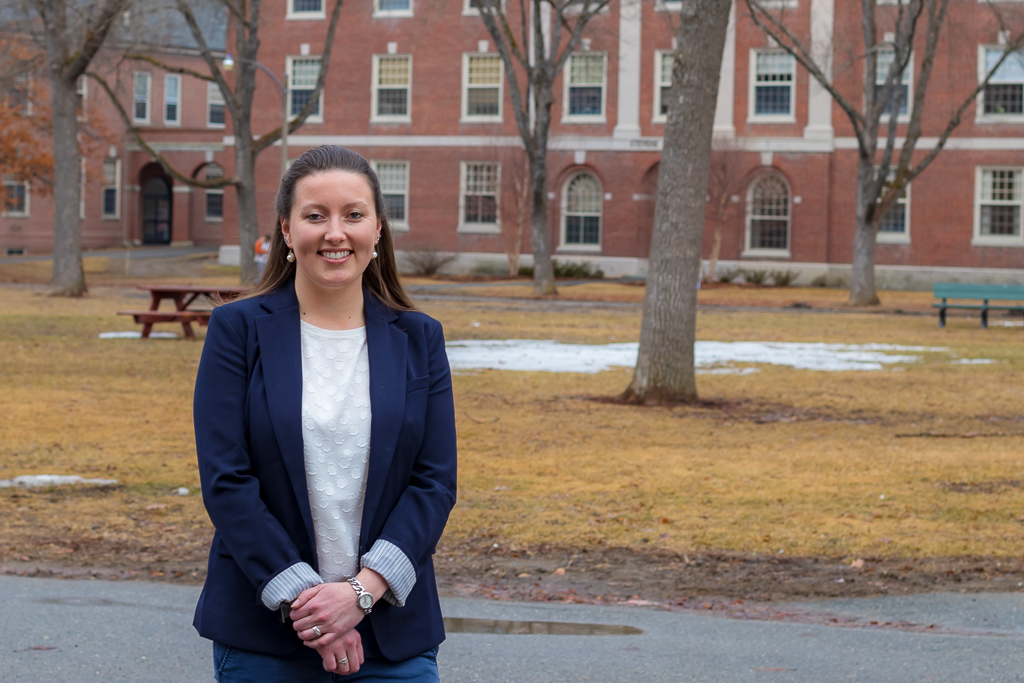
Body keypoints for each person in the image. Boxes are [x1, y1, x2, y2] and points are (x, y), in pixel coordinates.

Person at [192, 145, 457, 682]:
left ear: (377, 229)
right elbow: (227, 481)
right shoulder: (237, 332)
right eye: (315, 216)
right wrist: (313, 609)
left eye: (353, 215)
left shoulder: (419, 338)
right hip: (265, 637)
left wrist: (361, 592)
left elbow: (434, 483)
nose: (335, 233)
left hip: (393, 639)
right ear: (287, 232)